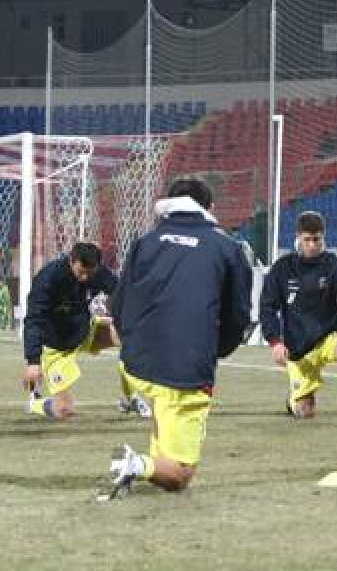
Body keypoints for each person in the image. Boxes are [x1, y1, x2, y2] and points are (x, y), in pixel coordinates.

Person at [98, 179, 252, 497]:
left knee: (161, 408)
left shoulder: (146, 241)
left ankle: (147, 464)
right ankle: (136, 465)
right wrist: (214, 350)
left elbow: (120, 303)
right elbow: (238, 317)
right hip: (185, 369)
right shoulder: (227, 248)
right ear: (209, 209)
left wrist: (132, 341)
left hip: (137, 364)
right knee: (181, 474)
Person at [260, 210, 337, 424]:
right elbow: (267, 308)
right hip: (297, 351)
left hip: (327, 338)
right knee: (304, 412)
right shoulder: (282, 268)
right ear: (298, 238)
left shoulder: (333, 265)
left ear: (323, 238)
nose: (312, 245)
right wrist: (275, 342)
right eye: (307, 240)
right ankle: (293, 400)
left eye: (317, 239)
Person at [21, 242, 121, 420]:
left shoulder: (98, 273)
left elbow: (121, 294)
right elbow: (34, 319)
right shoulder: (48, 278)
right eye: (81, 272)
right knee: (63, 410)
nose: (85, 278)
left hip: (83, 331)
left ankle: (130, 398)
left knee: (129, 335)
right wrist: (33, 361)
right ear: (71, 261)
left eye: (90, 273)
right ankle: (34, 402)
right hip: (55, 347)